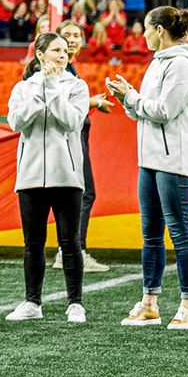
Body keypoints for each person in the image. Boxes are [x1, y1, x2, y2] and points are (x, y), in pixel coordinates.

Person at [106, 6, 188, 330]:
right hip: (149, 159)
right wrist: (127, 97)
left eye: (146, 29)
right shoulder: (158, 63)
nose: (143, 35)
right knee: (151, 234)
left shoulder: (182, 66)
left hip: (173, 161)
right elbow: (142, 112)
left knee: (178, 231)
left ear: (159, 30)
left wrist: (131, 98)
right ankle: (149, 303)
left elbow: (163, 111)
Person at [6, 31, 90, 322]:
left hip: (66, 175)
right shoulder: (23, 88)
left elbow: (71, 121)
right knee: (33, 244)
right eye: (56, 50)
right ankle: (32, 303)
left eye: (65, 51)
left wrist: (53, 86)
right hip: (30, 177)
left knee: (70, 242)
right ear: (40, 55)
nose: (63, 55)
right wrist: (40, 91)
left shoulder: (78, 86)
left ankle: (75, 303)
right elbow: (16, 122)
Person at [52, 21, 111, 274]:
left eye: (77, 35)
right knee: (82, 193)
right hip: (69, 138)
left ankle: (67, 250)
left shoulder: (72, 69)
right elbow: (62, 103)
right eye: (67, 35)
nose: (73, 40)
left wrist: (92, 102)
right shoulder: (60, 70)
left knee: (79, 193)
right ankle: (72, 251)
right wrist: (93, 102)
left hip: (76, 135)